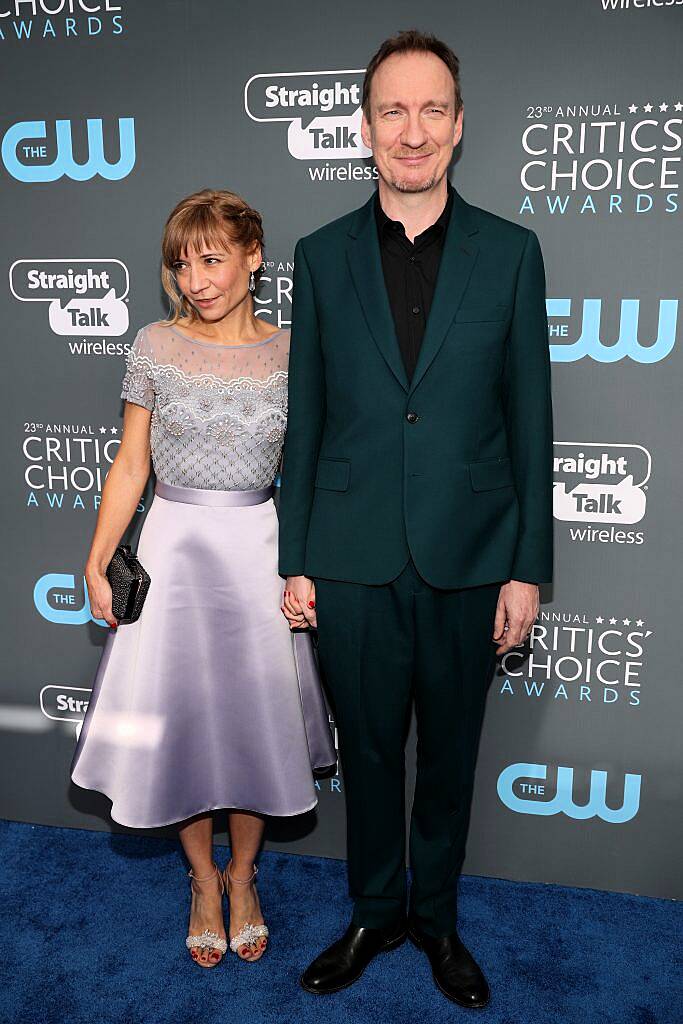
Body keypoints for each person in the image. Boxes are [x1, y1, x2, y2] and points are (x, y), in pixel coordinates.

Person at [279, 30, 553, 1008]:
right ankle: (370, 911)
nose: (411, 129)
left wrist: (527, 567)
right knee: (366, 750)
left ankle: (433, 920)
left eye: (430, 108)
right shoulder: (318, 256)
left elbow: (530, 423)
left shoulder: (510, 253)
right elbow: (304, 418)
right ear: (363, 128)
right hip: (348, 559)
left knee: (447, 753)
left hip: (470, 556)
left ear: (458, 125)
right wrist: (296, 555)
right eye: (391, 109)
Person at [71, 188, 335, 969]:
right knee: (182, 720)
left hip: (261, 548)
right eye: (182, 264)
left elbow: (310, 473)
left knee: (256, 723)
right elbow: (130, 465)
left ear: (255, 256)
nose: (197, 279)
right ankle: (200, 880)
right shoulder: (154, 345)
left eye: (213, 259)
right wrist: (96, 559)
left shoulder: (293, 352)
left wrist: (305, 565)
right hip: (174, 550)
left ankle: (244, 876)